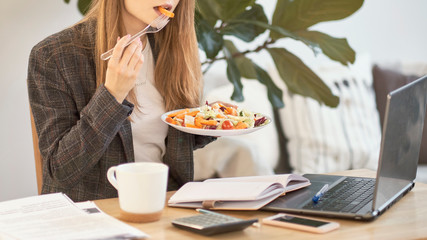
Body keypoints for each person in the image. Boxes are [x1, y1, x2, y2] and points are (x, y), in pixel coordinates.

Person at [27, 0, 215, 202]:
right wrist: (113, 94)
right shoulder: (53, 55)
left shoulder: (173, 47)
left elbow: (164, 142)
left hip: (164, 204)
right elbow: (60, 170)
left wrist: (211, 122)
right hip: (92, 216)